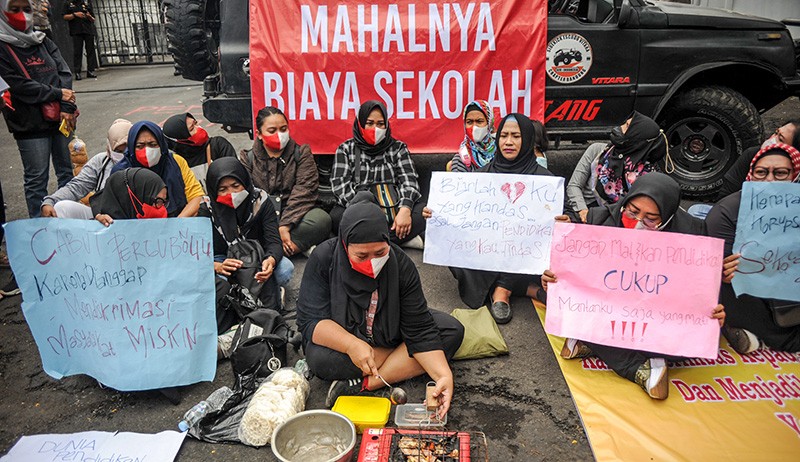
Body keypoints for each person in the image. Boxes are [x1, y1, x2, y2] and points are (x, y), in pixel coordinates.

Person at [542, 173, 726, 399]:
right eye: (633, 212)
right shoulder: (598, 221)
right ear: (625, 203)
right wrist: (554, 280)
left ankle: (593, 343)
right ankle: (638, 369)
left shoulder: (693, 234)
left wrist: (711, 311)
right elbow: (575, 282)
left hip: (657, 317)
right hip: (610, 310)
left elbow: (699, 291)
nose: (639, 223)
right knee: (575, 312)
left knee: (687, 345)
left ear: (668, 217)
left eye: (651, 218)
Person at [296, 192, 464, 414]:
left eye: (380, 252)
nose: (372, 263)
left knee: (451, 330)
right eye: (361, 256)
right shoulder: (324, 258)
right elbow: (310, 321)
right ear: (345, 246)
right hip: (348, 335)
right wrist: (351, 345)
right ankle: (397, 355)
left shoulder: (400, 265)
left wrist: (443, 376)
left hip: (391, 330)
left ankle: (367, 383)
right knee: (318, 358)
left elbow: (420, 328)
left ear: (388, 241)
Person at [431, 113, 569, 324]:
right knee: (453, 247)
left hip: (526, 253)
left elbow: (567, 215)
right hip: (488, 251)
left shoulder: (545, 182)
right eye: (503, 135)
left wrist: (565, 221)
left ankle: (502, 291)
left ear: (528, 140)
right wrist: (437, 214)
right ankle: (528, 289)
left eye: (516, 136)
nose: (508, 142)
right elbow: (460, 213)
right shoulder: (482, 177)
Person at [706, 143, 800, 354]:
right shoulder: (726, 212)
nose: (769, 180)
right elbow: (715, 269)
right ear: (750, 175)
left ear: (794, 176)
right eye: (761, 173)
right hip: (748, 295)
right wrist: (722, 271)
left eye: (780, 173)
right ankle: (775, 337)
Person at [0, 0, 76, 218]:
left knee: (67, 174)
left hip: (60, 118)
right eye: (14, 9)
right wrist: (57, 94)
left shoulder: (44, 40)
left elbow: (64, 74)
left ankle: (69, 221)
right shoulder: (3, 47)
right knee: (36, 180)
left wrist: (66, 105)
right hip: (29, 124)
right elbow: (16, 85)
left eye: (26, 9)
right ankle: (38, 230)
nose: (22, 15)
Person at [199, 158, 283, 333]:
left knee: (285, 270)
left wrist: (270, 261)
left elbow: (274, 241)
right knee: (218, 284)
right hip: (223, 258)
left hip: (257, 255)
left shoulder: (260, 201)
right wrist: (218, 266)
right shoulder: (207, 208)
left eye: (236, 186)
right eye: (222, 189)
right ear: (214, 190)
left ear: (245, 181)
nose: (231, 193)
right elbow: (199, 253)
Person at [331, 100, 426, 247]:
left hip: (393, 209)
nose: (375, 129)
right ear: (360, 123)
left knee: (422, 213)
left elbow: (409, 181)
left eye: (380, 124)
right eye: (369, 123)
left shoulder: (398, 148)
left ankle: (372, 240)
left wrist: (405, 209)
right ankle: (399, 239)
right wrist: (370, 212)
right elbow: (340, 186)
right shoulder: (346, 149)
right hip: (361, 211)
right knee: (337, 217)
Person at [240, 106, 332, 257]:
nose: (279, 135)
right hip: (262, 218)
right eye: (272, 131)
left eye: (283, 129)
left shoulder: (302, 153)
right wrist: (270, 224)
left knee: (321, 220)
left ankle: (272, 253)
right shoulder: (247, 158)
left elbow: (305, 191)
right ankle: (292, 248)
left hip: (293, 217)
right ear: (259, 134)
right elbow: (248, 195)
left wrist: (285, 225)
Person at [568, 112, 668, 222]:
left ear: (636, 137)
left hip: (614, 220)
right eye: (624, 123)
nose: (619, 128)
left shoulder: (646, 176)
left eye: (627, 127)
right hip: (583, 210)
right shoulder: (597, 151)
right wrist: (583, 211)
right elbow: (574, 186)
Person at [41, 118, 131, 218]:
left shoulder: (143, 160)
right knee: (61, 207)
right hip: (102, 217)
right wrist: (50, 201)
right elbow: (77, 186)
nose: (124, 155)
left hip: (136, 220)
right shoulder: (101, 161)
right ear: (109, 148)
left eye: (128, 149)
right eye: (118, 151)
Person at [112, 120, 203, 217]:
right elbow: (111, 206)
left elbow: (195, 196)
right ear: (131, 147)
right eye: (140, 146)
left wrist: (178, 222)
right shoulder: (121, 173)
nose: (147, 150)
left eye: (153, 144)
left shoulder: (176, 162)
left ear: (162, 145)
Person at [715, 119, 800, 200]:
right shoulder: (751, 155)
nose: (769, 179)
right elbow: (725, 197)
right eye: (776, 133)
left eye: (781, 173)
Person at [162, 112, 236, 192]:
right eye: (192, 128)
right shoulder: (175, 163)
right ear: (180, 140)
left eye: (196, 123)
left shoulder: (217, 146)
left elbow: (235, 176)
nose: (199, 128)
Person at [90, 167, 168, 226]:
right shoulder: (95, 232)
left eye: (163, 201)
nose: (161, 208)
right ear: (132, 198)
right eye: (158, 201)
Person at [449, 100, 497, 173]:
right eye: (469, 122)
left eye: (479, 121)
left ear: (489, 124)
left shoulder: (501, 152)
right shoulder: (461, 159)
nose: (474, 127)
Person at [62, 0, 96, 80]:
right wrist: (75, 15)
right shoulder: (68, 3)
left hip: (88, 30)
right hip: (76, 31)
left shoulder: (86, 2)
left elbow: (93, 19)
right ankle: (77, 72)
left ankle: (90, 70)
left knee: (90, 51)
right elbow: (64, 17)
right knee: (78, 52)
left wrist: (89, 16)